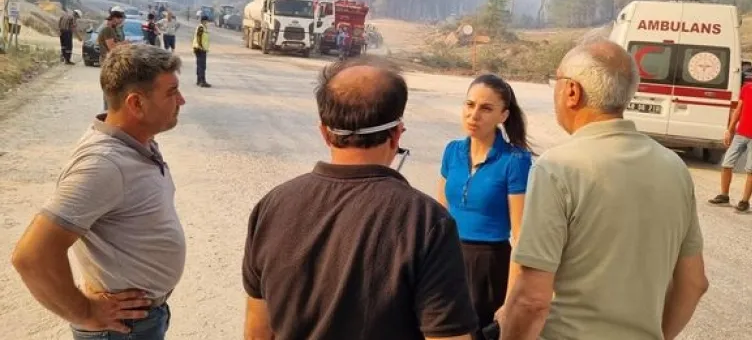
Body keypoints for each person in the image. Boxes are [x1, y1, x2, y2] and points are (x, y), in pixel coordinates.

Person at [241, 59, 478, 340]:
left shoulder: (272, 207)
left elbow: (257, 333)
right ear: (396, 134)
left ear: (325, 133)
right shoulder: (426, 222)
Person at [500, 39, 708, 340]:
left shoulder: (558, 168)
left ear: (572, 91)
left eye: (556, 82)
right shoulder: (674, 168)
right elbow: (694, 282)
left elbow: (533, 299)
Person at [11, 43, 187, 340]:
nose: (181, 100)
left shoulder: (137, 141)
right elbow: (31, 256)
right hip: (123, 330)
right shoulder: (103, 165)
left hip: (143, 320)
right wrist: (84, 311)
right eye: (171, 93)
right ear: (136, 104)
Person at [437, 73, 532, 338]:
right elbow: (439, 215)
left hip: (488, 266)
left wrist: (509, 300)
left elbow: (520, 235)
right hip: (447, 260)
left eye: (486, 108)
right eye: (469, 105)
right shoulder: (452, 151)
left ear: (503, 115)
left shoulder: (515, 161)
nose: (473, 115)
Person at [709, 64, 752, 212]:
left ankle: (745, 201)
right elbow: (738, 110)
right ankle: (724, 195)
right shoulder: (746, 89)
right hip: (741, 133)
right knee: (727, 164)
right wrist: (730, 130)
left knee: (751, 169)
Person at [98, 8, 126, 110]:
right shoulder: (107, 29)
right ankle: (107, 110)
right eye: (120, 20)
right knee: (109, 87)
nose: (121, 22)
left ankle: (109, 110)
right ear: (114, 18)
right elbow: (112, 47)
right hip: (107, 60)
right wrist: (124, 44)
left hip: (109, 59)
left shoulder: (111, 29)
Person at [192, 15, 211, 87]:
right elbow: (198, 38)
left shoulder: (204, 27)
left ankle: (199, 80)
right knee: (202, 66)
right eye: (206, 21)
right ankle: (202, 81)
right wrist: (201, 47)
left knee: (200, 65)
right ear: (204, 21)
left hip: (202, 49)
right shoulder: (201, 27)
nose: (207, 22)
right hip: (200, 49)